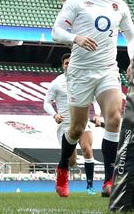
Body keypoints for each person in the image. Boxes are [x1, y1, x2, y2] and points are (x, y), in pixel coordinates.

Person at [51, 0, 134, 198]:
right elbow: (57, 31)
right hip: (80, 72)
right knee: (76, 129)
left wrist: (132, 60)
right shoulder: (77, 0)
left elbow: (131, 37)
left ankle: (109, 179)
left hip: (108, 70)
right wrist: (75, 37)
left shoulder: (119, 5)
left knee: (115, 117)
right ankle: (63, 167)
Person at [44, 52, 104, 195]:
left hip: (82, 120)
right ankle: (61, 175)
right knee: (71, 161)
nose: (69, 65)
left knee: (87, 148)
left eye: (72, 62)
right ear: (63, 65)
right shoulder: (56, 83)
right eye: (66, 63)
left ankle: (90, 186)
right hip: (65, 125)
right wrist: (55, 115)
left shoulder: (85, 79)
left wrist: (96, 114)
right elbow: (46, 103)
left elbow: (95, 99)